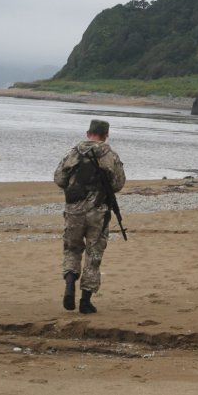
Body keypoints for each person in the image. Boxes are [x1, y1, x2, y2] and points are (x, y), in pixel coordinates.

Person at [54, 118, 126, 314]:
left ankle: (70, 284)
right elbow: (119, 184)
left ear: (88, 133)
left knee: (72, 248)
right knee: (94, 255)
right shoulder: (110, 155)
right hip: (99, 211)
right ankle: (85, 301)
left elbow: (59, 179)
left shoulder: (73, 153)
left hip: (74, 210)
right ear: (106, 136)